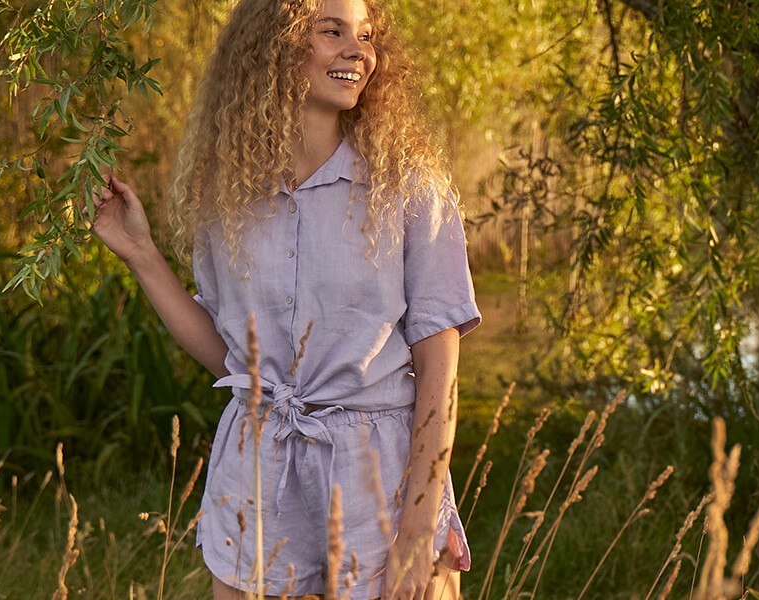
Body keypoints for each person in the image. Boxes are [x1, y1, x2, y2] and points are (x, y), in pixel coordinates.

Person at [87, 0, 476, 597]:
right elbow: (232, 359)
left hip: (381, 471)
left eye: (366, 35)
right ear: (277, 46)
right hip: (262, 462)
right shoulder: (229, 193)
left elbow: (439, 365)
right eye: (332, 31)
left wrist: (419, 524)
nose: (358, 51)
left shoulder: (409, 184)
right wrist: (140, 253)